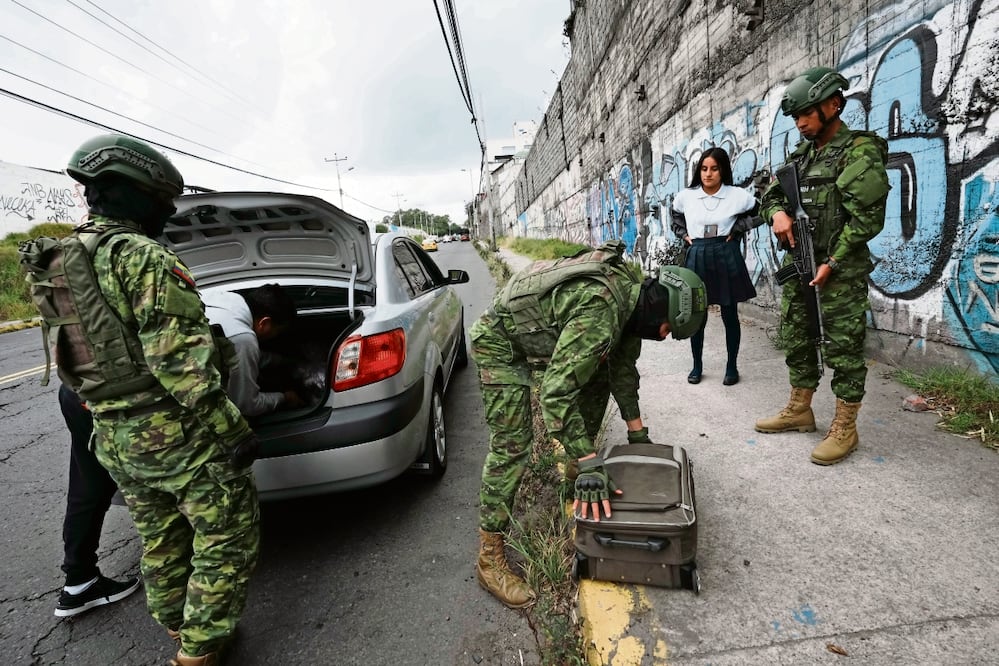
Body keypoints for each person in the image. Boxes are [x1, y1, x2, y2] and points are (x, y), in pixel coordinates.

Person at [61, 134, 260, 666]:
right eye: (163, 200)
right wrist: (234, 430)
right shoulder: (142, 257)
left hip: (114, 433)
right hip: (175, 435)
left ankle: (181, 625)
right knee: (227, 536)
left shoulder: (65, 260)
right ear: (136, 193)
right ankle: (197, 652)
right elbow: (182, 367)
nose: (169, 211)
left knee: (161, 538)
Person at [470, 239, 706, 608]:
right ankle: (489, 557)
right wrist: (591, 461)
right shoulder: (602, 312)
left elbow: (622, 373)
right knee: (513, 445)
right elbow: (554, 395)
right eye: (666, 328)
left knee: (597, 380)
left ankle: (575, 478)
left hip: (541, 337)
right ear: (660, 308)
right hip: (500, 346)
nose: (663, 336)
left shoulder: (631, 296)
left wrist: (638, 435)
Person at [755, 67, 889, 466]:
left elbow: (866, 220)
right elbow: (770, 195)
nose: (800, 123)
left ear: (834, 104)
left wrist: (832, 261)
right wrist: (777, 213)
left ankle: (845, 427)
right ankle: (800, 409)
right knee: (797, 337)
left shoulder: (859, 151)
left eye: (807, 114)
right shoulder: (802, 154)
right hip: (801, 266)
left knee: (844, 348)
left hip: (840, 273)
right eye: (796, 117)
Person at [671, 147, 761, 386]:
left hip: (725, 252)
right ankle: (697, 366)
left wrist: (738, 229)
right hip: (697, 253)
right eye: (703, 169)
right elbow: (675, 216)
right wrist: (684, 234)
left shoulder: (737, 195)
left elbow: (759, 211)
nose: (708, 174)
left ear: (722, 171)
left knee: (729, 313)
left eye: (714, 169)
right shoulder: (686, 196)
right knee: (697, 315)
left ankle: (732, 366)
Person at [53, 384, 140, 618]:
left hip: (76, 392)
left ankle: (79, 580)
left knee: (87, 487)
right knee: (148, 486)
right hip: (112, 396)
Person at [202, 284, 304, 417]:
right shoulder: (243, 338)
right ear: (264, 323)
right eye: (278, 331)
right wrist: (284, 398)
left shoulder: (228, 298)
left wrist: (282, 361)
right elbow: (246, 405)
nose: (276, 336)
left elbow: (238, 354)